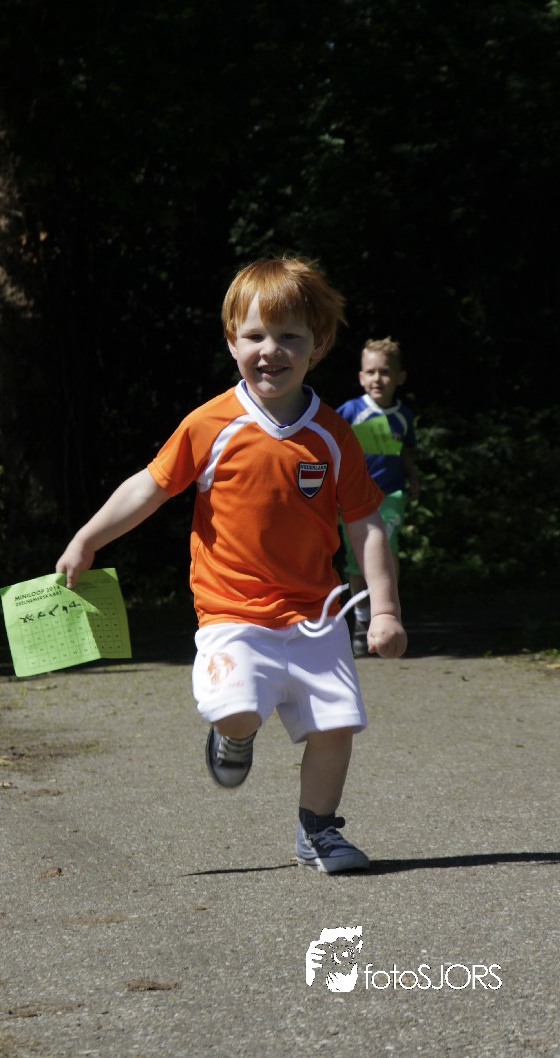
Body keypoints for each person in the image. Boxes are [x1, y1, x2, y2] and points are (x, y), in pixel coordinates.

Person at [56, 257, 407, 874]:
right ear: (231, 341)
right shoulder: (210, 424)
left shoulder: (333, 435)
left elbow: (366, 524)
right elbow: (149, 488)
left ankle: (318, 831)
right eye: (255, 335)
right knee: (237, 708)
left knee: (336, 726)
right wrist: (88, 539)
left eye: (289, 336)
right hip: (231, 612)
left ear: (320, 344)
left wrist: (384, 609)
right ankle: (233, 734)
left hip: (317, 614)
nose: (271, 350)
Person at [336, 337, 419, 657]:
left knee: (388, 547)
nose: (377, 379)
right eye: (370, 372)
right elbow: (331, 447)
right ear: (361, 377)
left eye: (385, 372)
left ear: (400, 377)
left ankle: (388, 613)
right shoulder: (350, 411)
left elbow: (404, 453)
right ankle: (361, 620)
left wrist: (413, 478)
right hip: (354, 500)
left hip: (391, 496)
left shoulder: (404, 416)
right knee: (356, 559)